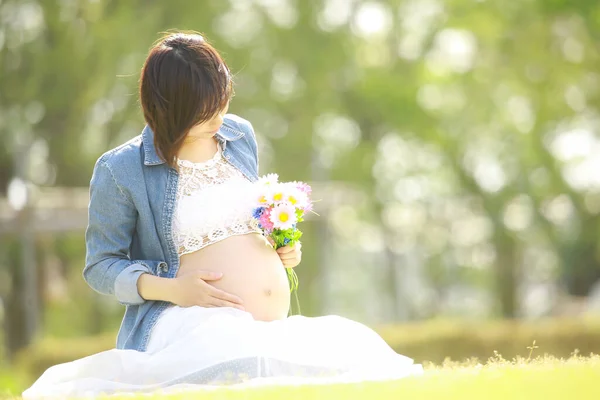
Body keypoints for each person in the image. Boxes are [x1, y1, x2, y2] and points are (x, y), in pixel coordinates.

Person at [22, 31, 422, 399]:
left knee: (352, 347)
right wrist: (173, 288)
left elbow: (241, 226)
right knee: (239, 355)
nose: (218, 116)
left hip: (264, 325)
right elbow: (101, 266)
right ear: (169, 107)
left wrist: (280, 250)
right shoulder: (120, 169)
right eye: (204, 109)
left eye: (222, 100)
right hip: (185, 321)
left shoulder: (239, 136)